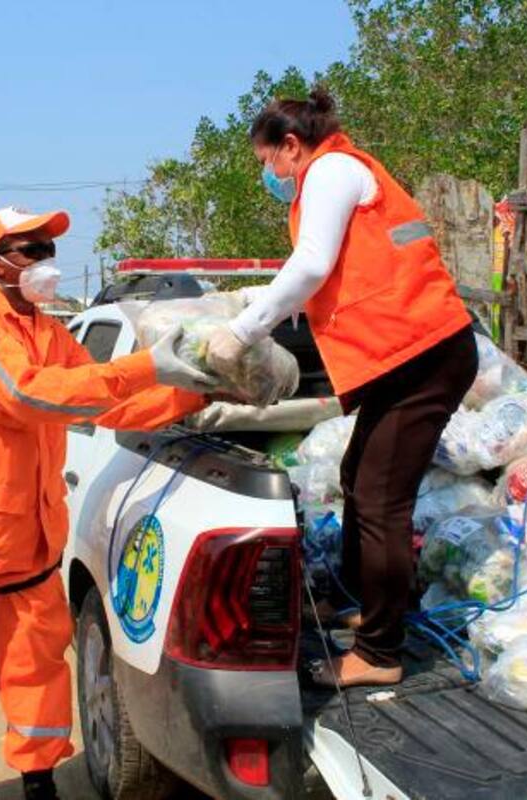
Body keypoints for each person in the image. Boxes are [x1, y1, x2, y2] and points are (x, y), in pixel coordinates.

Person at [0, 206, 214, 800]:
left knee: (36, 667)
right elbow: (30, 396)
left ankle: (37, 777)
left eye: (47, 249)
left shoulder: (46, 330)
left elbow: (104, 405)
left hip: (31, 537)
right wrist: (147, 364)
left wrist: (191, 398)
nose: (45, 262)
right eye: (30, 251)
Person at [207, 88, 478, 688]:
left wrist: (245, 330)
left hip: (425, 355)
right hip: (404, 356)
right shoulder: (335, 173)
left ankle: (380, 653)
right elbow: (337, 276)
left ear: (291, 146)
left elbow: (310, 266)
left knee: (382, 501)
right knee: (360, 479)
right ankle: (363, 603)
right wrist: (264, 302)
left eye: (265, 162)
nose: (267, 175)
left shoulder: (331, 169)